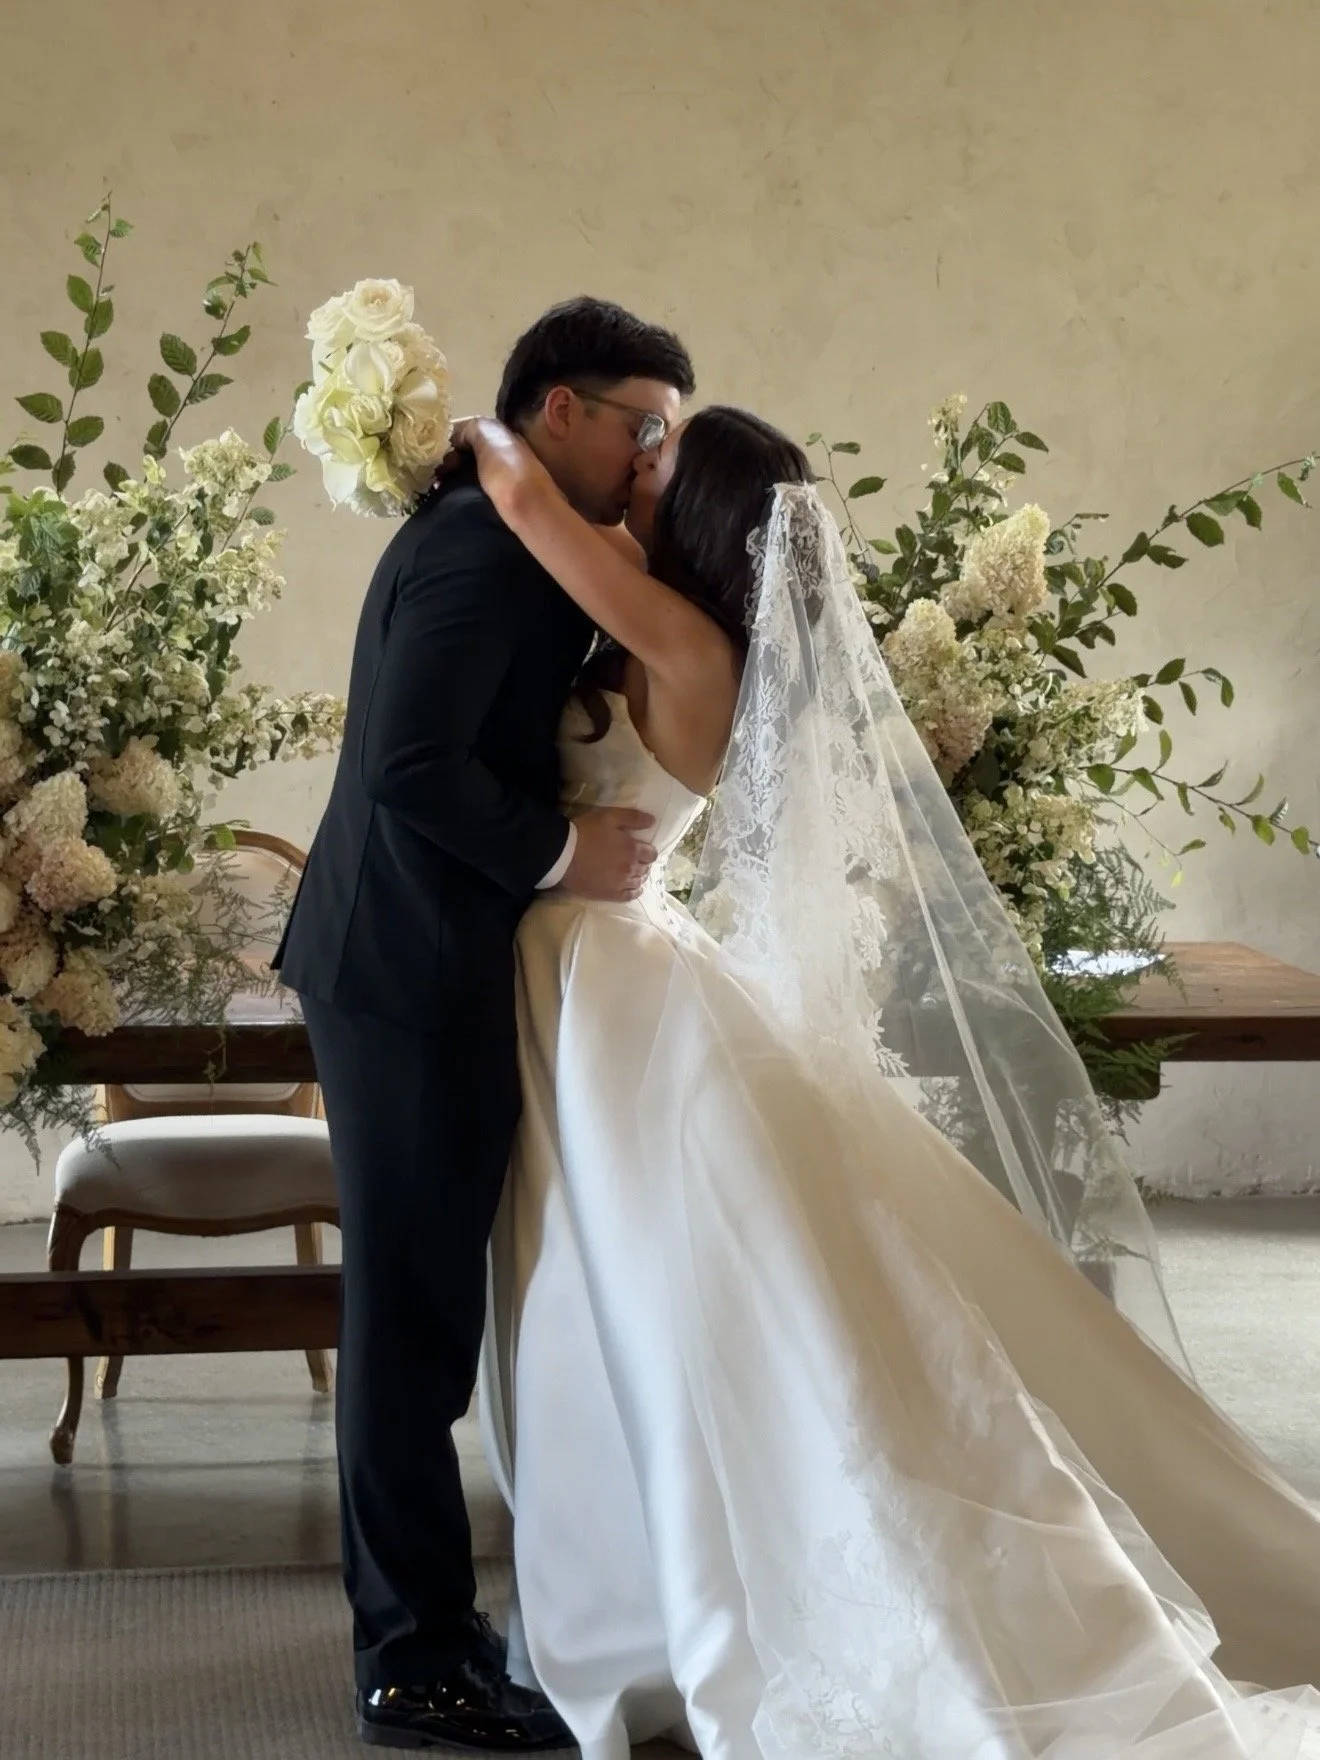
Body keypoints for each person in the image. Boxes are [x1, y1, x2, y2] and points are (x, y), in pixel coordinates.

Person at [451, 405, 1320, 1760]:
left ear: (704, 516)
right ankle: (649, 1601)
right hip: (596, 974)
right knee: (622, 1299)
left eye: (660, 456)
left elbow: (524, 507)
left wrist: (463, 424)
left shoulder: (684, 643)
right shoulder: (660, 627)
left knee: (644, 1291)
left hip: (617, 986)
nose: (637, 462)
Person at [273, 297, 696, 1752]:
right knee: (409, 1317)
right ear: (561, 411)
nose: (655, 452)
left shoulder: (511, 534)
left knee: (434, 1310)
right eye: (642, 423)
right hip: (401, 968)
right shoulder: (474, 548)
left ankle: (438, 1628)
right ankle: (410, 1661)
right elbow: (407, 766)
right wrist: (563, 856)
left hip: (428, 961)